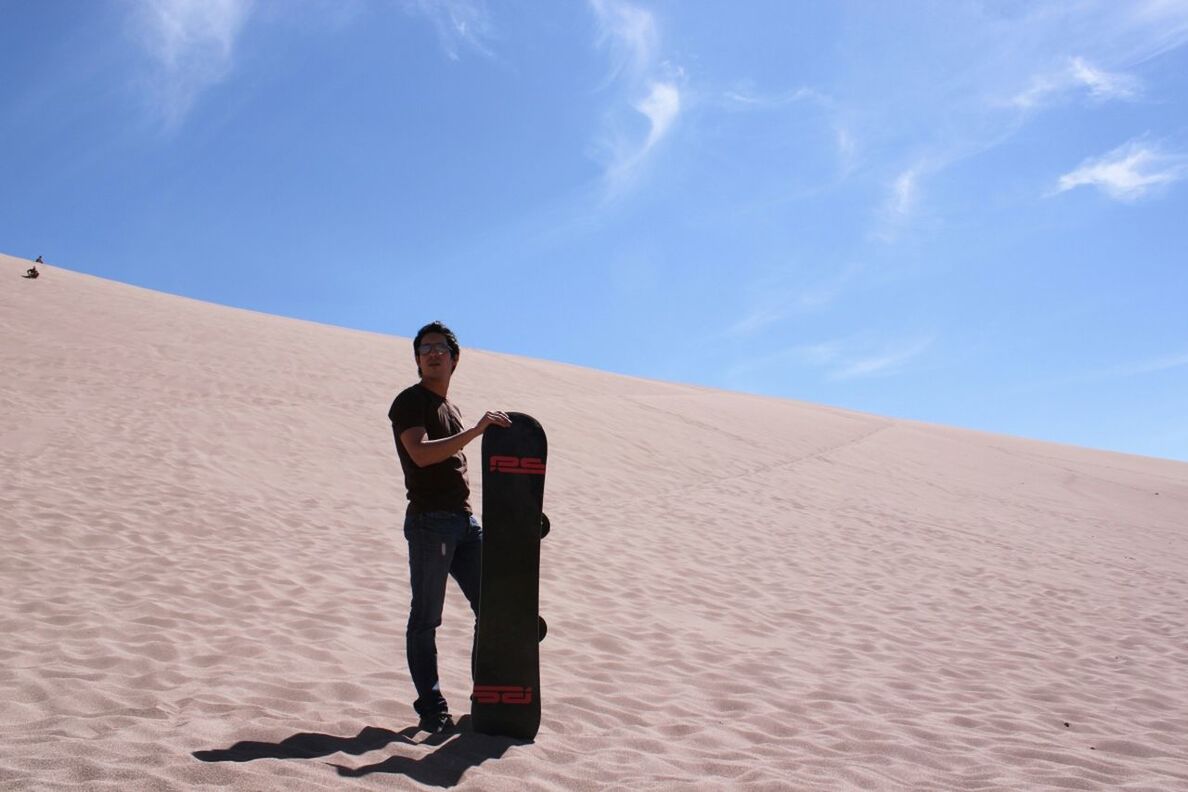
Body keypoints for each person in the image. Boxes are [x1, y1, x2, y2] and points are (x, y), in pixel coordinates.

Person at [387, 321, 510, 734]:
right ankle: (431, 706)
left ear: (455, 358)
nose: (432, 353)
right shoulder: (410, 401)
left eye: (440, 347)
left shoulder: (449, 408)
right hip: (430, 523)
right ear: (418, 359)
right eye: (425, 348)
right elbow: (420, 455)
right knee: (426, 618)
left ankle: (485, 692)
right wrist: (475, 432)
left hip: (464, 522)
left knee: (492, 609)